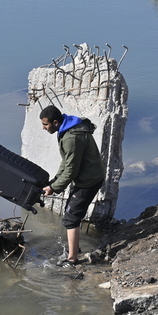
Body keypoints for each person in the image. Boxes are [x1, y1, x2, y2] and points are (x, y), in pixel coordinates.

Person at [39, 104, 106, 265]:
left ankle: (72, 259)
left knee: (71, 218)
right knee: (71, 213)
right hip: (88, 176)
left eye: (45, 124)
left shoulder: (71, 138)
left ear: (55, 122)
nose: (43, 128)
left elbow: (71, 170)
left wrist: (54, 188)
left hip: (89, 181)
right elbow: (67, 161)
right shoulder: (67, 129)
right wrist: (54, 181)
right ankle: (74, 249)